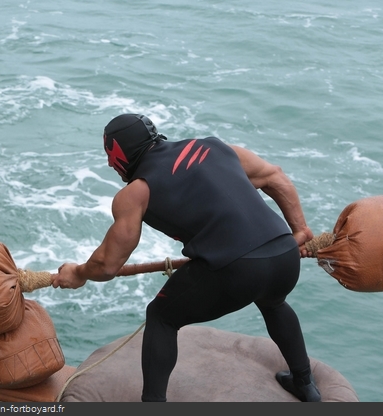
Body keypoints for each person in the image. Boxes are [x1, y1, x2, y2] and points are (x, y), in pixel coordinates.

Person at [52, 113, 321, 402]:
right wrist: (301, 230)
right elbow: (274, 177)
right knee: (273, 301)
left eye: (109, 155)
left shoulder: (137, 192)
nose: (108, 164)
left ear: (121, 153)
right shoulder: (215, 148)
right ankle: (304, 383)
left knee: (161, 317)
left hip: (237, 271)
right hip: (283, 256)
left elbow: (108, 264)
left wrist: (78, 273)